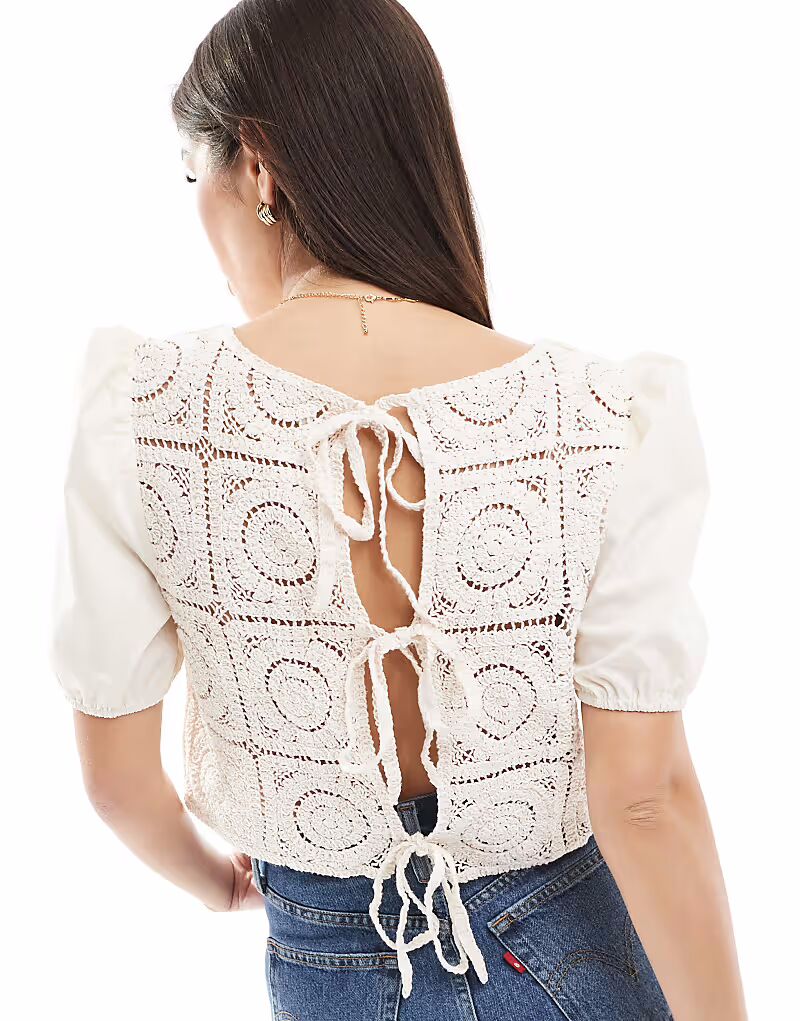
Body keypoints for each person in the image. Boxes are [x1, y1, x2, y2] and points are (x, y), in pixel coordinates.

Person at [49, 1, 747, 1018]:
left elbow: (116, 782)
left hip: (328, 955)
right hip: (574, 947)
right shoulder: (597, 416)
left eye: (190, 171)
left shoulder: (145, 413)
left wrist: (215, 883)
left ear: (257, 166)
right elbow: (643, 796)